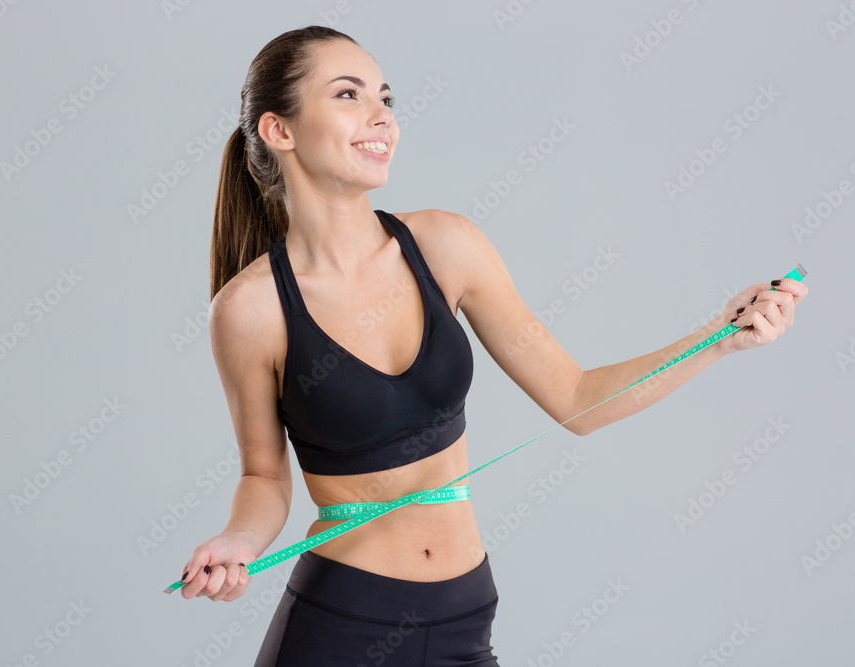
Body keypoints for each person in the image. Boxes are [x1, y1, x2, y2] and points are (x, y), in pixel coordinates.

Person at [176, 25, 809, 666]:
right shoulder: (250, 310)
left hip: (464, 618)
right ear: (279, 130)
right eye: (348, 94)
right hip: (341, 623)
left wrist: (718, 339)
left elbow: (577, 399)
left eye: (386, 98)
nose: (382, 117)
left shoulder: (446, 246)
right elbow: (263, 474)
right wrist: (238, 541)